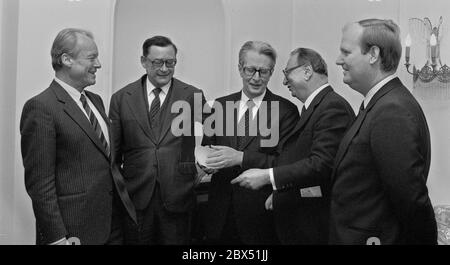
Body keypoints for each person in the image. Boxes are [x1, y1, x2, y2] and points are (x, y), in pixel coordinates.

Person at [20, 28, 136, 245]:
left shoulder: (96, 101)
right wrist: (57, 238)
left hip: (113, 225)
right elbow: (40, 185)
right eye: (92, 58)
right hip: (74, 232)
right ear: (66, 60)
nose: (99, 64)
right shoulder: (41, 107)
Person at [329, 19, 437, 244]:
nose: (339, 60)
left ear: (373, 54)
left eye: (346, 52)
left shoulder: (391, 111)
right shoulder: (379, 103)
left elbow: (410, 201)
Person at [232, 48, 355, 244]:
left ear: (307, 72)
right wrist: (283, 192)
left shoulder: (332, 107)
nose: (283, 81)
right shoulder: (315, 107)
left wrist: (268, 176)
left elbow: (321, 165)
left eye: (287, 73)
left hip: (314, 225)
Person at [200, 41, 299, 244]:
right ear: (239, 68)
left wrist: (240, 158)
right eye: (250, 70)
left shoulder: (286, 111)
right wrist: (205, 164)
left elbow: (286, 164)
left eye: (263, 72)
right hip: (219, 215)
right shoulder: (218, 106)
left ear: (271, 73)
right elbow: (207, 151)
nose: (256, 78)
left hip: (261, 216)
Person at [109, 36, 205, 245]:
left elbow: (211, 136)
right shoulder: (121, 98)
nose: (164, 69)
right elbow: (114, 156)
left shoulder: (192, 95)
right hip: (135, 200)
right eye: (157, 62)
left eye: (170, 63)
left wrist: (203, 166)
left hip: (178, 198)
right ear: (143, 61)